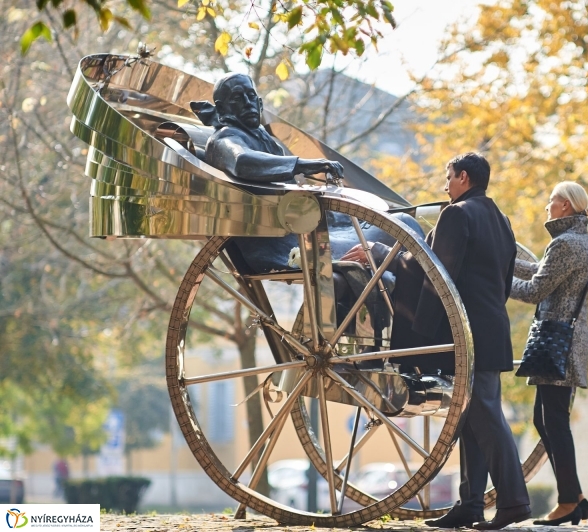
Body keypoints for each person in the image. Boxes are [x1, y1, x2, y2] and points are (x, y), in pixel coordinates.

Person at [342, 153, 531, 530]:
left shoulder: (456, 214)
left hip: (465, 334)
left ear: (463, 177)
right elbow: (505, 279)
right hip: (493, 327)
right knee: (473, 417)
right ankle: (472, 504)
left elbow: (433, 271)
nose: (445, 186)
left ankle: (513, 501)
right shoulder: (502, 220)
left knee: (487, 417)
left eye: (448, 178)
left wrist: (379, 253)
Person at [510, 181, 588, 526]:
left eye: (551, 201)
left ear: (565, 206)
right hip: (567, 341)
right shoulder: (582, 242)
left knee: (555, 423)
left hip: (556, 341)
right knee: (545, 419)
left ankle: (566, 501)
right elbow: (540, 272)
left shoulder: (564, 244)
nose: (546, 206)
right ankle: (575, 496)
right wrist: (507, 261)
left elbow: (534, 290)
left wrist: (498, 283)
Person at [190, 72, 343, 183]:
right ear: (222, 109)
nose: (248, 103)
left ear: (260, 103)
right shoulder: (225, 137)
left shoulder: (261, 135)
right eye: (237, 98)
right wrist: (305, 165)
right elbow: (242, 160)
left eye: (251, 96)